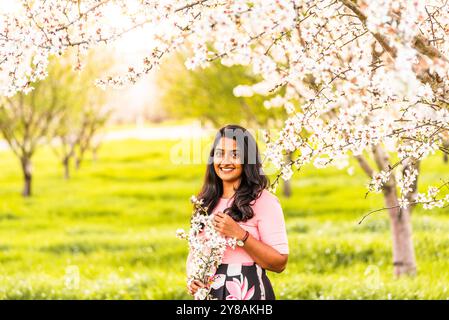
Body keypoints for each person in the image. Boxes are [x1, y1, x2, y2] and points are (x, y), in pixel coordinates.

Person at [186, 124, 289, 300]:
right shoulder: (205, 201)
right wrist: (193, 279)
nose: (225, 161)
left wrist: (240, 235)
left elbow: (279, 263)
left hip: (247, 292)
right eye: (219, 154)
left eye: (235, 155)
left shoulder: (264, 201)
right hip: (209, 294)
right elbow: (194, 253)